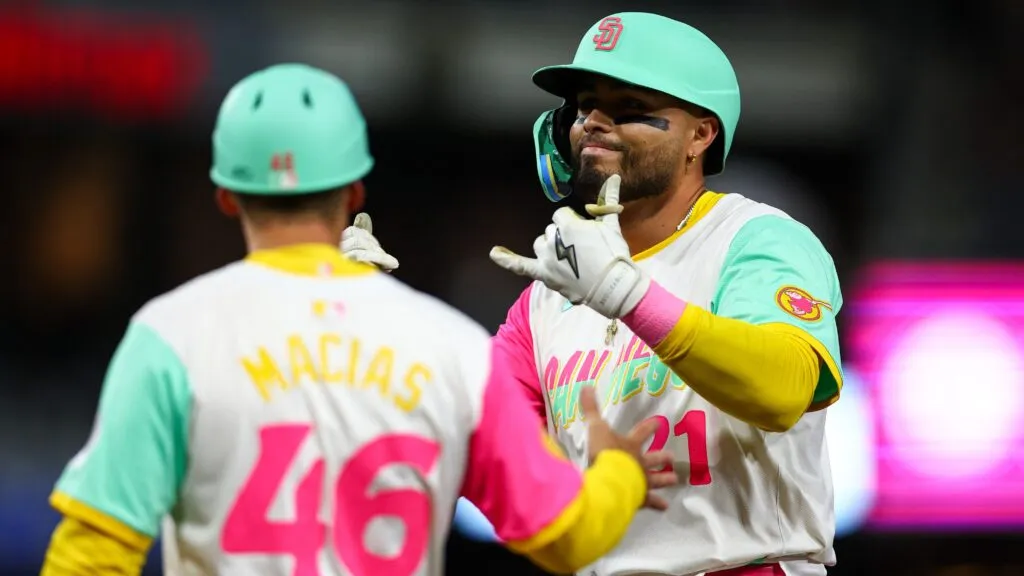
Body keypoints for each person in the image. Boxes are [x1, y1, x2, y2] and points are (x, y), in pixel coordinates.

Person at [39, 63, 679, 576]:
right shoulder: (448, 344)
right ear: (354, 192)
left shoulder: (172, 333)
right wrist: (617, 471)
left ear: (227, 196)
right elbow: (564, 539)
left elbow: (92, 554)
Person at [342, 12, 844, 576]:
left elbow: (784, 390)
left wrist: (626, 296)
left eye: (628, 109)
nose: (594, 124)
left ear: (700, 135)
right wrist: (375, 332)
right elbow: (460, 448)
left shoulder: (752, 239)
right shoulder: (548, 297)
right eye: (583, 108)